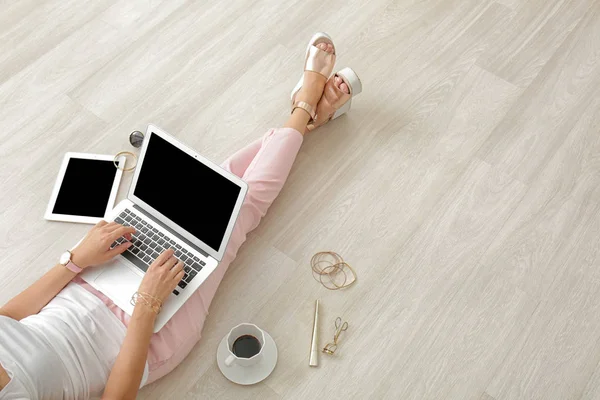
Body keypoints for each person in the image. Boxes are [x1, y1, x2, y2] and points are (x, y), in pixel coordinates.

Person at [0, 33, 361, 399]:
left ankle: (305, 118)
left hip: (85, 280)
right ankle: (304, 108)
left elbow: (8, 319)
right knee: (236, 217)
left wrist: (75, 260)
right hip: (142, 339)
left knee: (203, 199)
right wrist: (147, 304)